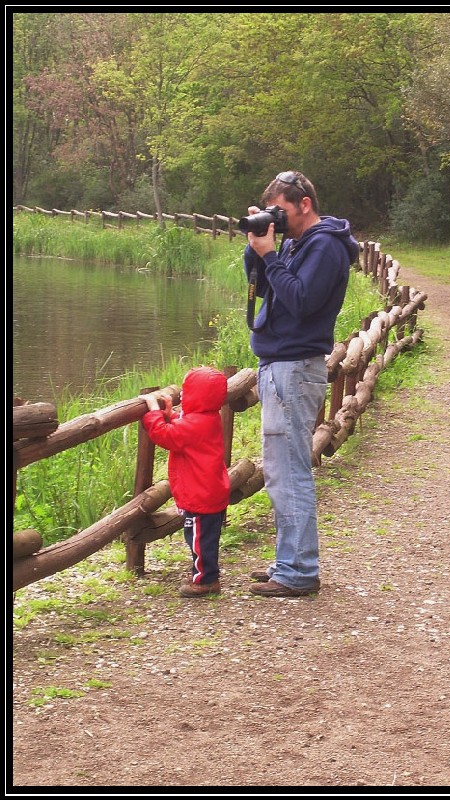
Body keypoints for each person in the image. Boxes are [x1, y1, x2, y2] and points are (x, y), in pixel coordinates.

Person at [243, 170, 359, 598]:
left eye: (281, 211)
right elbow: (262, 285)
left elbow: (302, 301)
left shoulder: (325, 245)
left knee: (288, 471)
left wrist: (272, 256)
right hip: (281, 364)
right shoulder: (296, 242)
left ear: (304, 204)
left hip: (293, 367)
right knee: (280, 469)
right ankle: (288, 561)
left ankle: (298, 570)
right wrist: (259, 247)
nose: (279, 219)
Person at [138, 366, 231, 598]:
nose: (183, 396)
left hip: (200, 496)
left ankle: (206, 581)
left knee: (199, 541)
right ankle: (204, 574)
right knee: (205, 539)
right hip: (209, 492)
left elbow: (165, 435)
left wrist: (153, 410)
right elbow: (182, 426)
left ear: (196, 397)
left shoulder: (196, 424)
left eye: (187, 393)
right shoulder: (209, 417)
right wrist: (170, 414)